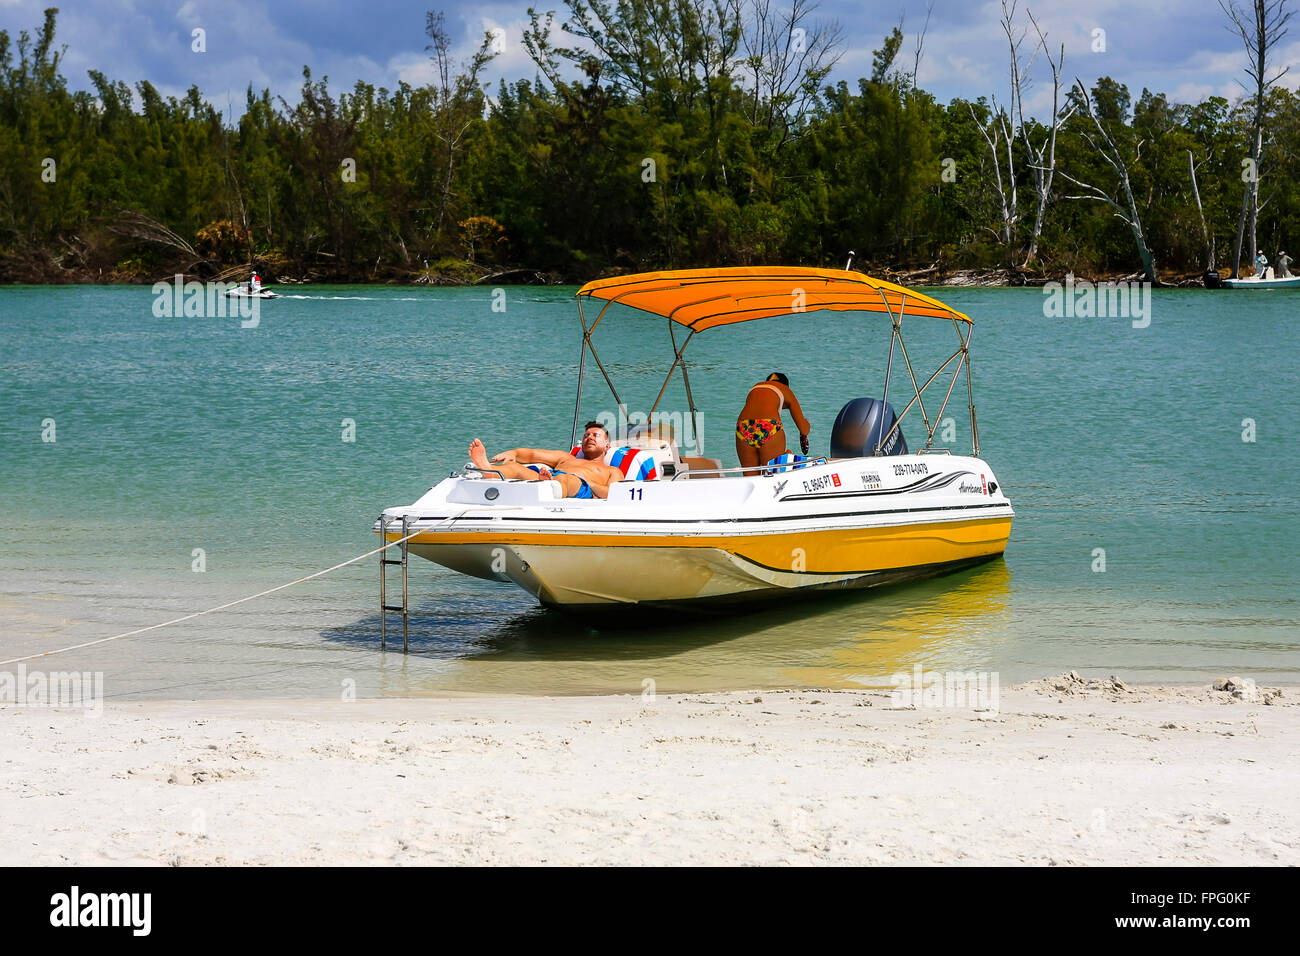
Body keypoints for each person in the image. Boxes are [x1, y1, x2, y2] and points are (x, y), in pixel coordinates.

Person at [467, 438, 623, 499]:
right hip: (550, 478)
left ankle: (551, 484)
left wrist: (586, 481)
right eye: (587, 435)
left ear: (607, 446)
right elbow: (532, 455)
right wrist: (513, 453)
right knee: (514, 467)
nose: (589, 437)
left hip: (579, 484)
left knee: (565, 479)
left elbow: (614, 494)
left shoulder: (612, 471)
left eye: (595, 435)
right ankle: (489, 471)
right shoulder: (567, 458)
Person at [735, 372, 811, 474]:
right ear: (785, 385)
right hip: (768, 427)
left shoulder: (755, 387)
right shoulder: (785, 390)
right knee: (772, 474)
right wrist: (806, 426)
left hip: (744, 428)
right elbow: (804, 429)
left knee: (750, 476)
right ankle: (785, 456)